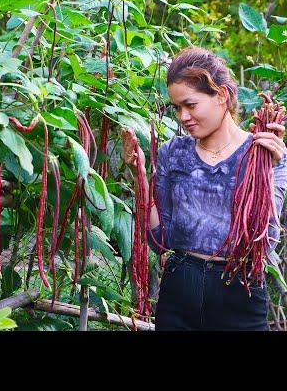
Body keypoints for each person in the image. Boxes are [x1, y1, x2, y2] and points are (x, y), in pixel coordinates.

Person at [121, 46, 287, 331]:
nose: (183, 116)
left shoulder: (265, 154)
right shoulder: (173, 153)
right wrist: (139, 175)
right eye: (177, 108)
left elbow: (265, 238)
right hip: (178, 295)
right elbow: (159, 239)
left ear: (221, 96)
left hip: (240, 296)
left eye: (191, 104)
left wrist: (266, 170)